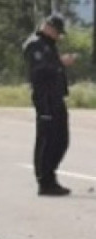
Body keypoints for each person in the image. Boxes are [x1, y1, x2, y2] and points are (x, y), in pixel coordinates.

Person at [22, 14, 77, 196]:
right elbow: (38, 71)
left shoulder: (48, 45)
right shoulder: (35, 44)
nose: (58, 36)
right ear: (48, 27)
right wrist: (60, 62)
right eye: (57, 32)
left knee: (61, 140)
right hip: (45, 98)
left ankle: (50, 177)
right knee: (47, 139)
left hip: (56, 97)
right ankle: (44, 182)